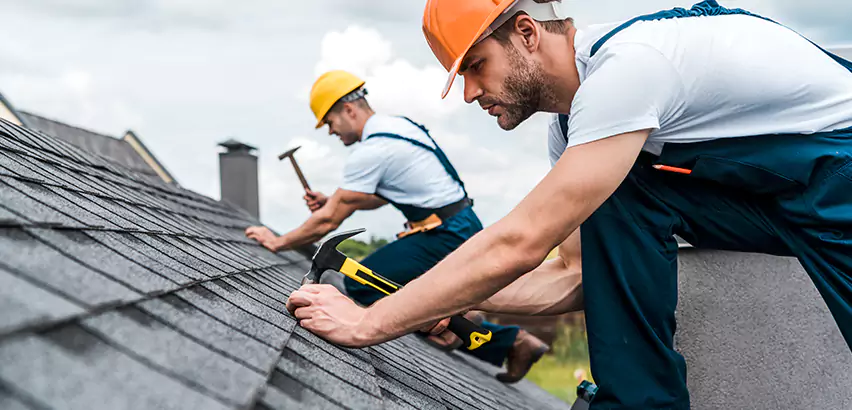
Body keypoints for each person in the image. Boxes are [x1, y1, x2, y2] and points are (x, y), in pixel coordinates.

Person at [285, 0, 852, 408]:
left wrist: (371, 321)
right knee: (621, 192)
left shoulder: (628, 68)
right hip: (777, 196)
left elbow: (522, 241)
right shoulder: (575, 132)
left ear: (527, 32)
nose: (470, 93)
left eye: (476, 66)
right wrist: (437, 302)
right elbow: (577, 276)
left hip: (839, 175)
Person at [245, 69, 549, 383]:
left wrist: (278, 241)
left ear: (349, 110)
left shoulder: (373, 149)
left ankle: (484, 332)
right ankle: (480, 328)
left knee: (362, 284)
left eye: (330, 123)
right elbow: (377, 197)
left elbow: (328, 220)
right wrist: (333, 200)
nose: (331, 132)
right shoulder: (398, 128)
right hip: (456, 225)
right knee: (408, 292)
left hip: (443, 234)